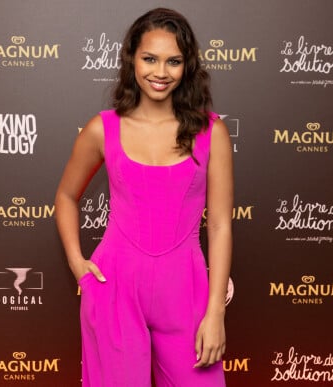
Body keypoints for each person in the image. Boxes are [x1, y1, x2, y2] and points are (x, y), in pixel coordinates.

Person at [55, 7, 233, 387]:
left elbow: (218, 225)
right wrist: (76, 262)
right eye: (150, 58)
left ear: (187, 66)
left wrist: (215, 311)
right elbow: (67, 196)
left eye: (173, 61)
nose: (160, 72)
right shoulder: (102, 129)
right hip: (115, 287)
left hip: (185, 289)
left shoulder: (212, 132)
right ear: (132, 59)